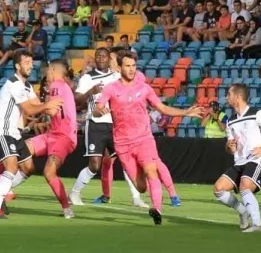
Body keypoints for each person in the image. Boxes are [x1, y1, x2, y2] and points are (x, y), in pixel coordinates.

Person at [94, 51, 204, 225]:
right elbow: (97, 109)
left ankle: (157, 209)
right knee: (141, 187)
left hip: (144, 139)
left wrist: (185, 112)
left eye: (134, 66)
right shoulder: (111, 88)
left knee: (151, 169)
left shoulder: (144, 88)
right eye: (127, 66)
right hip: (123, 144)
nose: (131, 69)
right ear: (120, 67)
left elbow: (162, 108)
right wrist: (99, 110)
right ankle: (151, 191)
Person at [0, 50, 64, 219]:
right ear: (17, 66)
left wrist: (56, 106)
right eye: (27, 63)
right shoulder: (14, 83)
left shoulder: (26, 85)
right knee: (12, 167)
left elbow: (38, 105)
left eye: (31, 63)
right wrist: (48, 105)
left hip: (13, 133)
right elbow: (29, 109)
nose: (31, 66)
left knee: (29, 168)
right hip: (2, 131)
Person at [69, 48, 150, 208]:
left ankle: (136, 198)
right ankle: (74, 193)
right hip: (95, 124)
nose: (101, 59)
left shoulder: (116, 76)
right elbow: (76, 99)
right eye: (98, 56)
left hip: (116, 125)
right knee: (94, 164)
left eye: (104, 56)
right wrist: (91, 92)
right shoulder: (87, 77)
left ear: (109, 59)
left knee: (126, 161)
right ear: (95, 59)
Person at [213, 84, 261, 232]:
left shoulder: (257, 114)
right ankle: (243, 211)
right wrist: (230, 146)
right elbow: (230, 149)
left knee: (245, 185)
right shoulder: (230, 121)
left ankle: (257, 224)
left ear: (238, 97)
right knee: (219, 189)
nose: (226, 97)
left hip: (256, 160)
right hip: (240, 162)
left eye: (229, 94)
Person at [20, 60, 78, 218]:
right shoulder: (63, 87)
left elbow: (52, 111)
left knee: (49, 172)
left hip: (63, 137)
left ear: (52, 70)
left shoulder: (56, 85)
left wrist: (31, 107)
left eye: (47, 70)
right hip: (54, 134)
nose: (46, 73)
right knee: (20, 150)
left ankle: (67, 208)